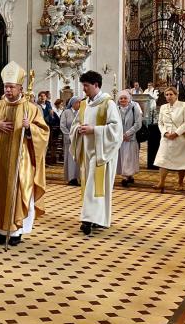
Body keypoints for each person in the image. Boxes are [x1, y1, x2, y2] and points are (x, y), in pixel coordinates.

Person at [0, 61, 49, 247]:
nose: (8, 90)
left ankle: (16, 231)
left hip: (21, 158)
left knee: (18, 191)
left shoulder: (31, 109)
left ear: (20, 88)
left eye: (11, 87)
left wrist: (30, 128)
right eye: (6, 87)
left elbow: (44, 132)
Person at [70, 71, 123, 235]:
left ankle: (87, 220)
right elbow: (75, 124)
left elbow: (116, 129)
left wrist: (94, 130)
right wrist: (78, 129)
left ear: (96, 85)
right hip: (87, 152)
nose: (84, 89)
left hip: (102, 152)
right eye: (83, 85)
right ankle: (99, 219)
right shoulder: (84, 104)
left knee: (95, 186)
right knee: (92, 187)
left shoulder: (108, 103)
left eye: (86, 86)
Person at [153, 87, 185, 192]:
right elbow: (160, 123)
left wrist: (176, 133)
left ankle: (180, 183)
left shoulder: (183, 105)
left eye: (171, 94)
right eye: (167, 95)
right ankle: (161, 182)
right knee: (163, 160)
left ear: (176, 95)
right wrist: (165, 133)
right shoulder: (163, 107)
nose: (169, 96)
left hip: (180, 138)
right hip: (166, 138)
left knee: (181, 161)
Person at [116, 91, 142, 187]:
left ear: (129, 99)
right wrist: (120, 134)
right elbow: (113, 123)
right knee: (122, 157)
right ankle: (128, 175)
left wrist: (127, 133)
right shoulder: (116, 109)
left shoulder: (134, 108)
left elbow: (138, 124)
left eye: (125, 98)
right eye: (121, 98)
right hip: (119, 138)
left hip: (131, 138)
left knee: (129, 157)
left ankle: (125, 177)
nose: (123, 100)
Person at [60, 96, 80, 185]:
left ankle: (78, 177)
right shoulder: (66, 112)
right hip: (69, 139)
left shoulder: (81, 112)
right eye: (78, 102)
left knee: (78, 158)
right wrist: (69, 135)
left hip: (79, 139)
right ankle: (71, 178)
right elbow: (62, 125)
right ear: (73, 103)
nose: (80, 104)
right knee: (69, 158)